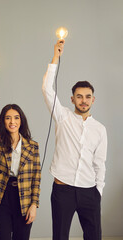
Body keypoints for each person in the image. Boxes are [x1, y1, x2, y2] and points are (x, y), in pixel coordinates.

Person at [42, 40, 107, 240]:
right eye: (79, 96)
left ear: (93, 99)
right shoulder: (63, 117)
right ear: (72, 99)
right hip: (63, 189)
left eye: (88, 96)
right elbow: (46, 88)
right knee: (60, 236)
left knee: (94, 236)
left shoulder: (100, 129)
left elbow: (100, 163)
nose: (83, 100)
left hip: (89, 191)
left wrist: (99, 191)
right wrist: (55, 58)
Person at [0, 68, 41, 240]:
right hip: (2, 196)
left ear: (21, 121)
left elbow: (36, 178)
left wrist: (34, 204)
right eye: (7, 118)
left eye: (16, 117)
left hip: (24, 198)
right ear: (3, 121)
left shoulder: (32, 147)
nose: (12, 121)